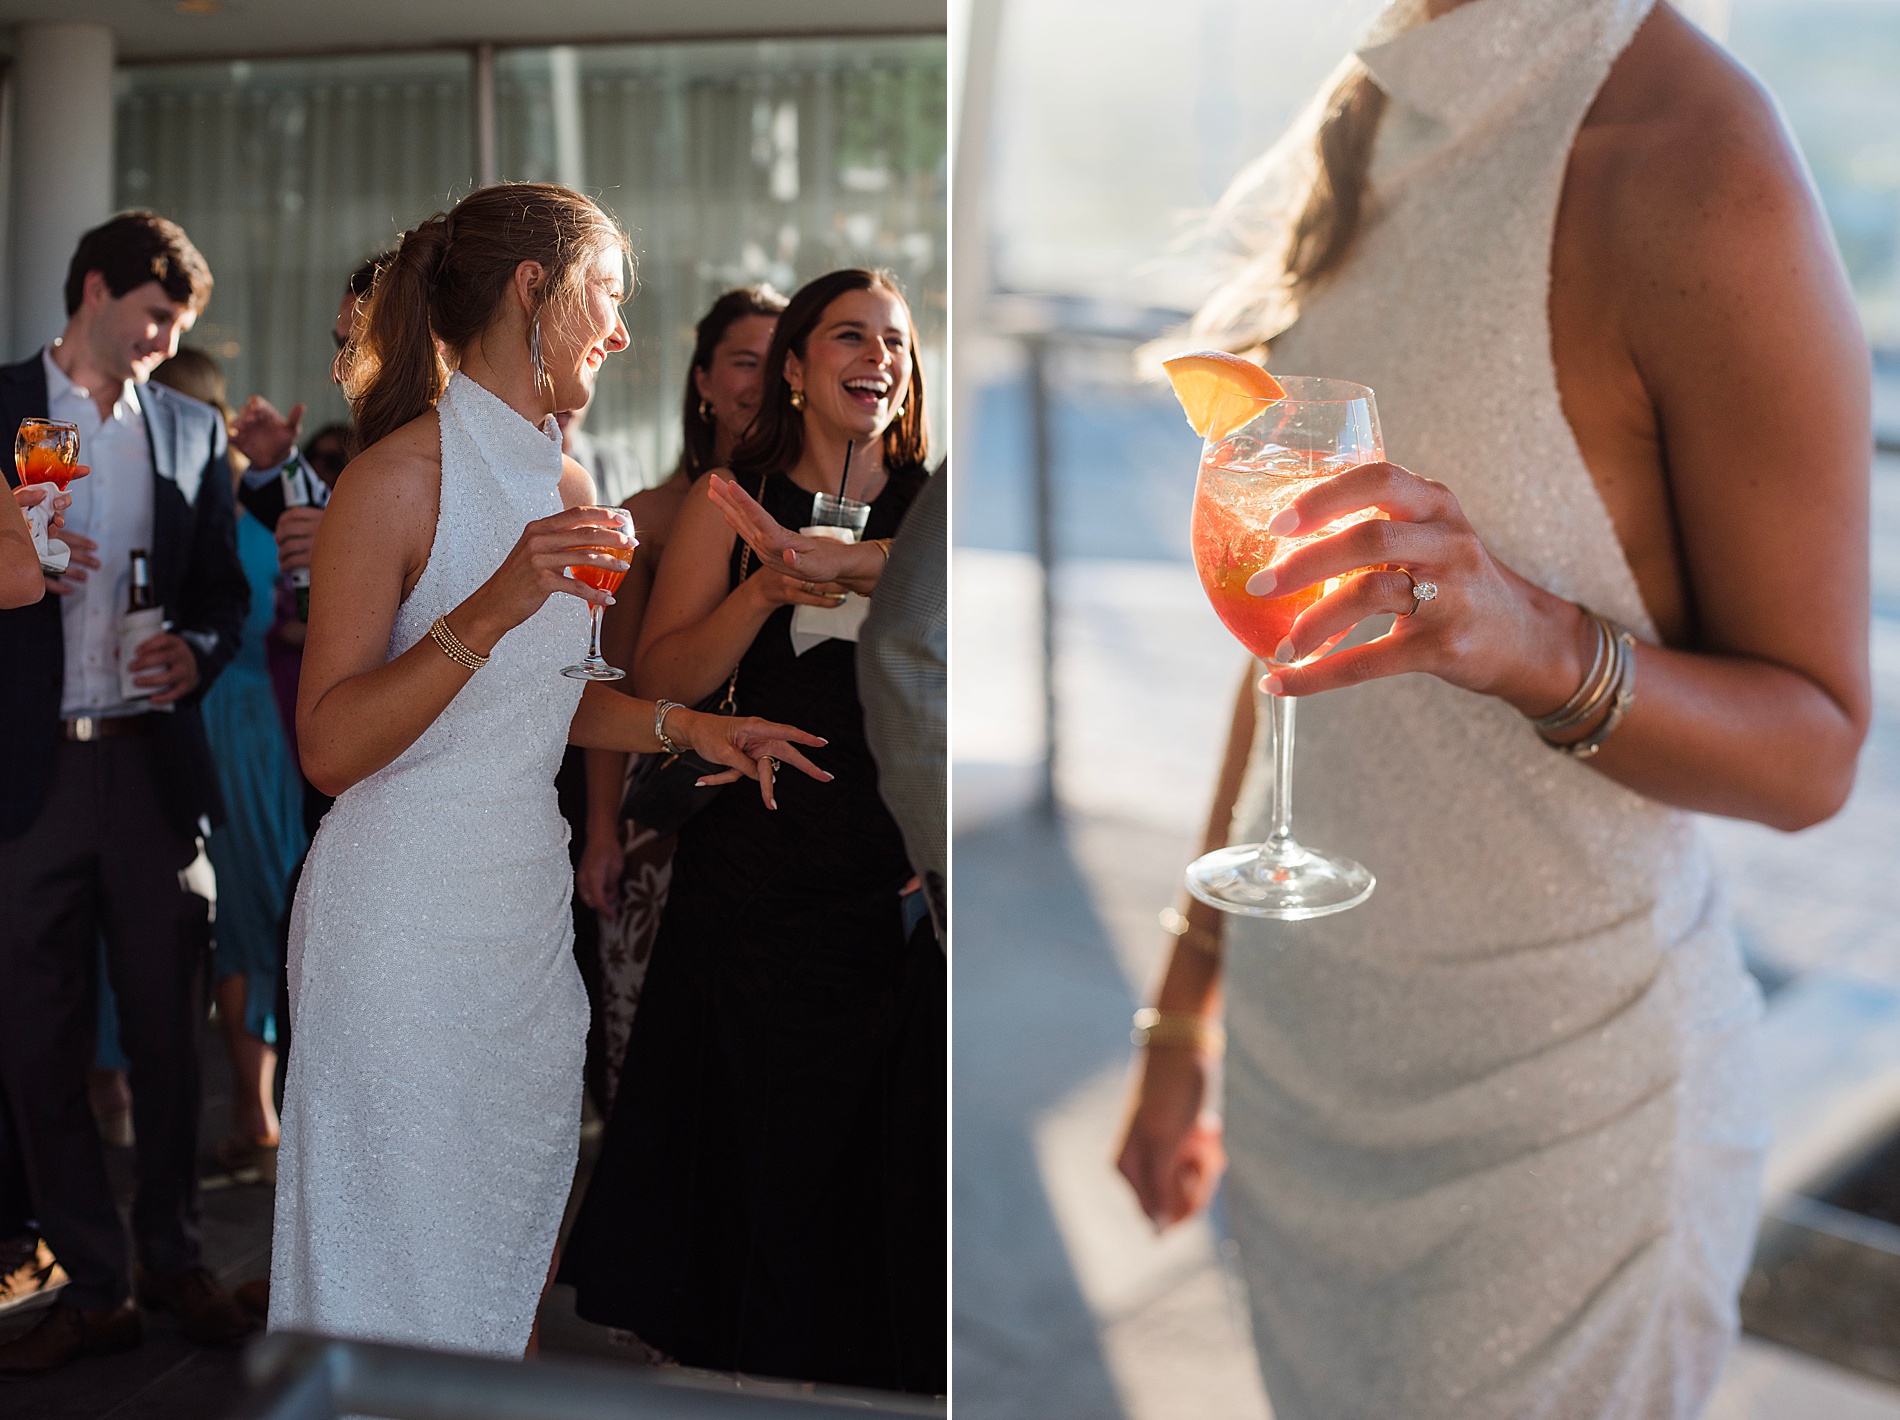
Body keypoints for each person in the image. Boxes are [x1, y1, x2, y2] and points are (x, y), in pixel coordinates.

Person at [1115, 3, 1870, 1418]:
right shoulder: (1381, 98)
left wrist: (1537, 645)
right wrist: (1182, 1019)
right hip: (1303, 1078)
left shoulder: (1705, 165)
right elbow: (1293, 634)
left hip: (1561, 1139)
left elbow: (1818, 747)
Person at [268, 181, 828, 1356]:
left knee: (505, 1252)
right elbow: (328, 744)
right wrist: (503, 594)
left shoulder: (569, 486)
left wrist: (695, 731)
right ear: (535, 289)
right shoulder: (395, 479)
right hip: (398, 923)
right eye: (605, 298)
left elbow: (551, 700)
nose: (620, 333)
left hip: (519, 927)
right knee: (394, 1271)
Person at [560, 268, 943, 1393]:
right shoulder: (733, 498)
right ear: (794, 364)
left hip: (897, 895)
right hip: (754, 886)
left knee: (871, 1186)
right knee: (748, 1184)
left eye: (896, 341)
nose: (876, 356)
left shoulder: (934, 506)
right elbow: (662, 675)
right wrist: (766, 589)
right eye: (847, 335)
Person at [0, 211, 255, 1374]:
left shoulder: (197, 430)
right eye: (155, 313)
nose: (164, 339)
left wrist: (196, 651)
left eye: (179, 325)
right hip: (28, 769)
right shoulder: (0, 406)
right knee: (37, 1043)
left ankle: (173, 1253)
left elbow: (220, 595)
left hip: (152, 765)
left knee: (165, 1036)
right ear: (94, 288)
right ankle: (91, 1279)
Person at [573, 283, 786, 1110]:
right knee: (654, 1050)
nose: (762, 384)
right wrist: (601, 830)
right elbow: (610, 681)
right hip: (661, 804)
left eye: (779, 364)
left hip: (767, 798)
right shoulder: (649, 516)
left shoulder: (817, 519)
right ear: (702, 381)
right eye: (743, 362)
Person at [150, 347, 307, 1185]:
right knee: (254, 908)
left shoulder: (196, 507)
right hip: (251, 723)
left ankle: (249, 1112)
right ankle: (256, 1110)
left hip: (202, 715)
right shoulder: (253, 509)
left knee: (225, 912)